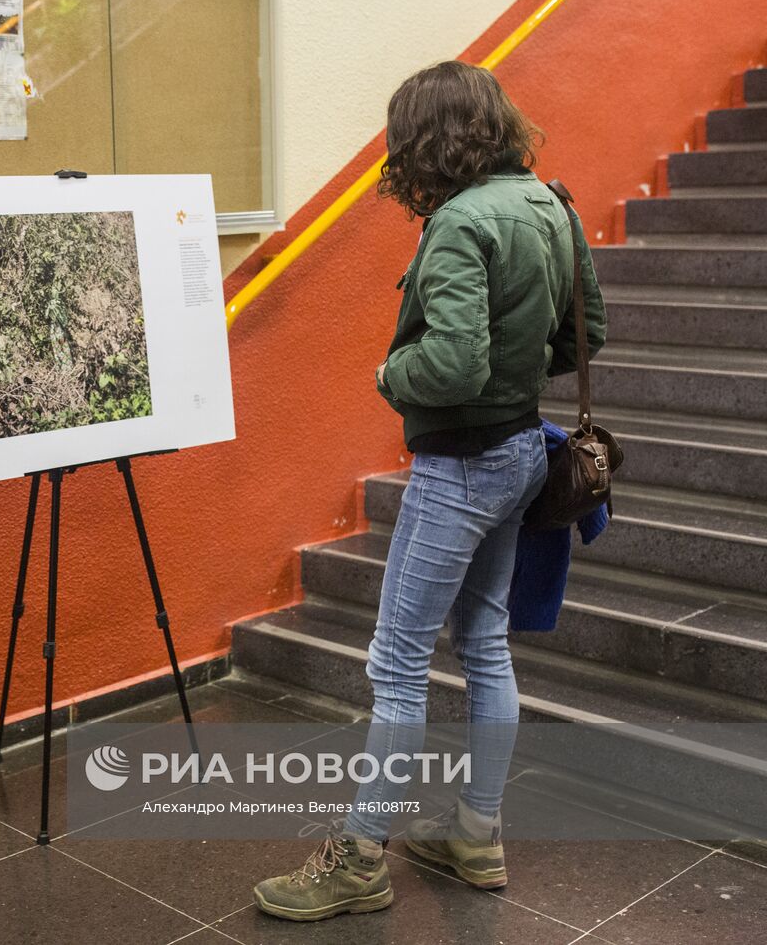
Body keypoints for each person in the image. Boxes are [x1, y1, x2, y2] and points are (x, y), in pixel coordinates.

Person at [252, 60, 606, 923]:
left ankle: (360, 856)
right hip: (524, 448)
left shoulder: (456, 226)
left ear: (430, 141)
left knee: (398, 664)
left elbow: (450, 364)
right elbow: (586, 333)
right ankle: (477, 834)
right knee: (484, 642)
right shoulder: (550, 204)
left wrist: (388, 370)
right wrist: (517, 372)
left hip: (460, 467)